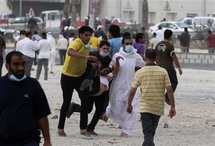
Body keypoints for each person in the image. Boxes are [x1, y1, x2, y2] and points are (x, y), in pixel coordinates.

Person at [0, 51, 52, 146]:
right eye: (16, 64)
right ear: (7, 66)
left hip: (29, 140)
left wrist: (47, 141)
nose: (21, 68)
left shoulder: (33, 85)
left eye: (23, 64)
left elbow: (42, 115)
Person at [127, 49, 176, 146]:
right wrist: (172, 106)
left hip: (145, 107)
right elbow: (169, 90)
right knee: (150, 133)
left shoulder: (140, 72)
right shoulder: (163, 72)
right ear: (156, 58)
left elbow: (132, 91)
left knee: (148, 133)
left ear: (145, 57)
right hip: (158, 107)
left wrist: (129, 104)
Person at [66, 40, 113, 135]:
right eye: (104, 48)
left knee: (99, 109)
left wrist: (108, 72)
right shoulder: (92, 54)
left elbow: (109, 70)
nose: (105, 50)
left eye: (107, 49)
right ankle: (74, 107)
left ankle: (90, 128)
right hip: (90, 85)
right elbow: (85, 66)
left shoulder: (108, 59)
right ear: (99, 47)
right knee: (88, 109)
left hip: (101, 85)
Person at [57, 26, 97, 137]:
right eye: (86, 35)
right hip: (67, 77)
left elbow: (85, 60)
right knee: (66, 102)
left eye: (90, 35)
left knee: (85, 102)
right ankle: (60, 128)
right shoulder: (77, 42)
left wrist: (90, 63)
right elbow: (70, 52)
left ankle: (83, 129)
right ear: (80, 35)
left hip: (80, 77)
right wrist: (86, 57)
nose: (88, 37)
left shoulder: (87, 45)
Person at [103, 36, 145, 137]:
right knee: (116, 108)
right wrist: (109, 76)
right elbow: (111, 68)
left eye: (131, 43)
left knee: (132, 108)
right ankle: (109, 112)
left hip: (132, 86)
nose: (129, 45)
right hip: (118, 86)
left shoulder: (136, 56)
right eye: (127, 43)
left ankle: (126, 130)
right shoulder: (117, 55)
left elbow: (144, 66)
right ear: (123, 44)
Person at [155, 29, 182, 105]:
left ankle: (158, 98)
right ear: (170, 36)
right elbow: (174, 57)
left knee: (160, 84)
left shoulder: (159, 44)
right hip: (168, 68)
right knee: (174, 82)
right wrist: (179, 68)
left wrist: (157, 64)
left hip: (159, 67)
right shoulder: (170, 45)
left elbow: (156, 55)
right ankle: (167, 96)